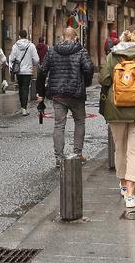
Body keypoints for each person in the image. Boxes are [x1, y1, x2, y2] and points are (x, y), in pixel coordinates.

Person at [98, 30, 135, 208]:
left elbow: (104, 79)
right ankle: (130, 194)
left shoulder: (113, 54)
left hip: (115, 109)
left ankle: (123, 184)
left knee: (121, 148)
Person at [37, 27, 93, 164]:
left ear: (62, 37)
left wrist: (41, 93)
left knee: (59, 125)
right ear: (75, 38)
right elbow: (89, 68)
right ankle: (77, 154)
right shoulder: (81, 51)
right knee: (79, 122)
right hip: (76, 94)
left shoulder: (52, 51)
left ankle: (59, 157)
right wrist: (85, 83)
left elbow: (42, 71)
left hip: (58, 94)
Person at [8, 29, 40, 116]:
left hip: (19, 71)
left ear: (19, 36)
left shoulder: (15, 46)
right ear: (27, 36)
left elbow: (11, 58)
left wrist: (11, 68)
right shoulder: (31, 46)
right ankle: (24, 109)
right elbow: (36, 59)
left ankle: (22, 107)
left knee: (21, 88)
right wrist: (32, 63)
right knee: (25, 89)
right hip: (28, 71)